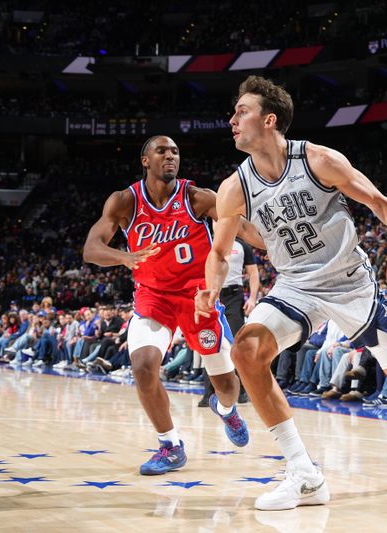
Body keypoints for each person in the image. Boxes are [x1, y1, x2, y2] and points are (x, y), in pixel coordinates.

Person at [195, 76, 387, 511]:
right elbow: (220, 250)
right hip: (296, 285)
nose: (232, 119)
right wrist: (210, 290)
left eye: (241, 111)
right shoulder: (234, 187)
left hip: (351, 285)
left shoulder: (318, 159)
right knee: (246, 352)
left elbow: (377, 202)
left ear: (269, 120)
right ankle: (304, 475)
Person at [83, 134, 263, 476]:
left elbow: (241, 226)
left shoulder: (197, 197)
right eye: (162, 151)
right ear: (145, 160)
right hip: (153, 296)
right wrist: (125, 257)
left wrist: (273, 242)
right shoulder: (125, 201)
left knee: (227, 386)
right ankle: (170, 445)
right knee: (143, 367)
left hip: (198, 296)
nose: (171, 156)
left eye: (176, 151)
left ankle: (226, 411)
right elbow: (91, 248)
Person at [198, 238, 259, 407]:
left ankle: (242, 390)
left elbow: (253, 273)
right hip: (211, 295)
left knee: (235, 343)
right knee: (210, 341)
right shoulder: (206, 239)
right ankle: (209, 393)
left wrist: (252, 298)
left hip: (234, 296)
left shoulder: (243, 245)